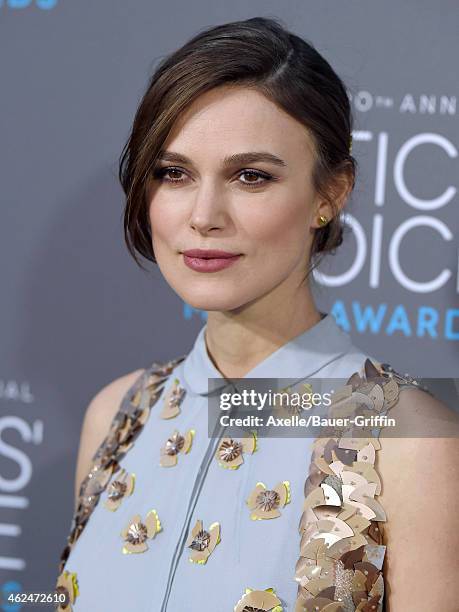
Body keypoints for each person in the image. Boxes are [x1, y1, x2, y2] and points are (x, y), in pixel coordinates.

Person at [54, 16, 459, 612]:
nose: (204, 214)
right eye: (175, 173)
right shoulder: (117, 415)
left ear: (330, 193)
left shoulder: (411, 443)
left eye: (251, 176)